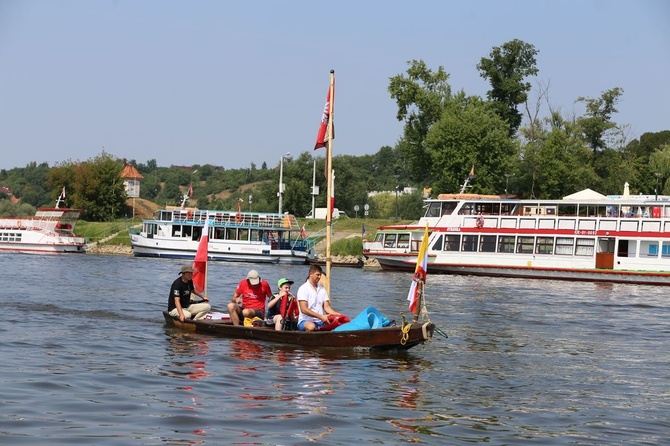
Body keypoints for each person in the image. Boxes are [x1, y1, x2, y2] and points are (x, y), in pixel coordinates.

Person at [296, 264, 341, 331]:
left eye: (320, 275)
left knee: (338, 325)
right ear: (311, 274)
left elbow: (327, 307)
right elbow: (304, 309)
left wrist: (337, 314)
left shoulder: (322, 289)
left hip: (320, 320)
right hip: (305, 320)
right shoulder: (303, 288)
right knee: (311, 327)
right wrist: (321, 317)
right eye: (317, 275)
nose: (319, 277)